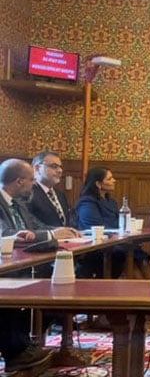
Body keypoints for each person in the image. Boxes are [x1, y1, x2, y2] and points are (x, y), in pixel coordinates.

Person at [0, 159, 72, 372]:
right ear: (19, 181)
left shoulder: (18, 202)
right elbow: (4, 232)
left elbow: (34, 227)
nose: (33, 184)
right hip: (6, 267)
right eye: (31, 180)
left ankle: (22, 347)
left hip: (21, 264)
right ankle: (16, 351)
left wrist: (56, 232)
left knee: (48, 291)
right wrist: (47, 234)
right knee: (15, 298)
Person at [75, 167, 150, 279]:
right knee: (129, 255)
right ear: (98, 184)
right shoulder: (87, 202)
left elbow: (119, 223)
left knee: (139, 257)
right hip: (98, 247)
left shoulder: (111, 202)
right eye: (110, 178)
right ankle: (142, 292)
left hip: (116, 242)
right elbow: (94, 227)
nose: (114, 180)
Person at [27, 151, 72, 228]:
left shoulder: (60, 195)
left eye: (60, 167)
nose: (60, 170)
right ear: (37, 168)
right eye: (54, 166)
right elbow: (30, 223)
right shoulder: (28, 193)